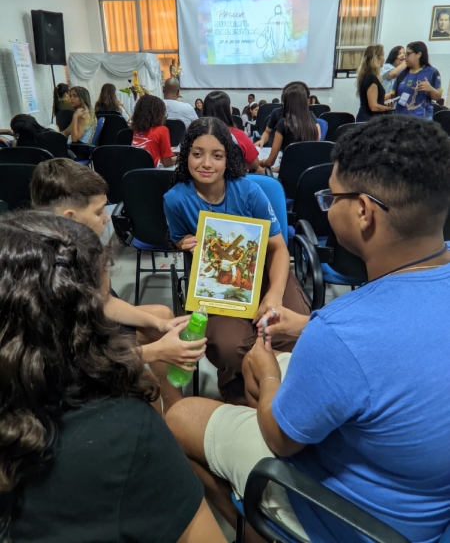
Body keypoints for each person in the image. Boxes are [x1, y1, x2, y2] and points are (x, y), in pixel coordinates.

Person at [166, 114, 450, 543]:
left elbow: (281, 440)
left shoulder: (340, 331)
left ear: (363, 211)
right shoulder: (336, 329)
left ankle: (259, 527)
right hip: (424, 506)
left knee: (180, 416)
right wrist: (308, 327)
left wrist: (267, 374)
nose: (327, 205)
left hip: (350, 519)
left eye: (330, 197)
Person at [0, 210, 227, 543]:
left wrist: (158, 328)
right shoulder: (127, 431)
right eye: (104, 301)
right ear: (81, 318)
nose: (108, 217)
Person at [30, 158, 202, 410]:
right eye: (99, 211)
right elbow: (81, 362)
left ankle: (176, 411)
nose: (107, 219)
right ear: (70, 218)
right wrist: (155, 352)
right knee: (145, 385)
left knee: (162, 318)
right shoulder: (47, 278)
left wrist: (159, 324)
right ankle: (157, 417)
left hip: (94, 332)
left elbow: (106, 301)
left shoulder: (83, 246)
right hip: (67, 368)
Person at [163, 117, 311, 405]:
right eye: (197, 154)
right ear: (186, 155)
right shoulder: (175, 200)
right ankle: (244, 394)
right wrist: (183, 243)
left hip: (265, 273)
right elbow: (178, 237)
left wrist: (274, 294)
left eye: (217, 156)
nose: (206, 163)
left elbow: (278, 249)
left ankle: (284, 392)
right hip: (217, 285)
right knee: (229, 345)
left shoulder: (249, 192)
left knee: (285, 330)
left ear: (227, 158)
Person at [259, 84, 320, 170]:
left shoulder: (283, 124)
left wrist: (259, 162)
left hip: (288, 174)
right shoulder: (313, 124)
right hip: (307, 174)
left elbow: (270, 162)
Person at [202, 90, 260, 171]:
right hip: (233, 177)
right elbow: (255, 164)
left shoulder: (197, 134)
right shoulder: (238, 136)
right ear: (227, 110)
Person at [256, 80, 318, 148]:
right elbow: (267, 132)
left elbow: (317, 136)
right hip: (275, 148)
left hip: (297, 150)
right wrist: (262, 140)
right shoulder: (277, 112)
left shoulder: (309, 115)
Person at [395, 41, 443, 120]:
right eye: (405, 54)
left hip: (422, 119)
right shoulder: (402, 73)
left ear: (419, 54)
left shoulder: (432, 72)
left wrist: (430, 89)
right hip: (400, 118)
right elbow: (393, 94)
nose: (405, 57)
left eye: (408, 54)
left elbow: (438, 97)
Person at [131, 94, 176, 167]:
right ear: (158, 113)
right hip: (152, 171)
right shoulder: (162, 130)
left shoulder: (136, 130)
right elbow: (167, 162)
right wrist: (181, 158)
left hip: (135, 170)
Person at [355, 44, 394, 122]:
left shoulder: (366, 75)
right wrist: (389, 109)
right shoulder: (371, 78)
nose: (384, 59)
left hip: (365, 117)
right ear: (377, 58)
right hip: (369, 120)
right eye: (383, 55)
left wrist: (392, 95)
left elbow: (377, 97)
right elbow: (374, 107)